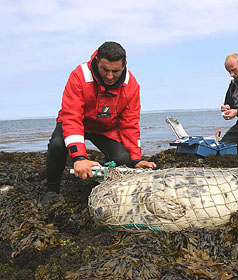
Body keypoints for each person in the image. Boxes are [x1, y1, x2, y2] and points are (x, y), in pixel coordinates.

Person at [41, 41, 156, 205]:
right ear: (97, 62)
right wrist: (79, 157)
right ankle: (51, 191)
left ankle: (95, 169)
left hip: (105, 128)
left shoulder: (131, 86)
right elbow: (72, 117)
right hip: (77, 122)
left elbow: (129, 124)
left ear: (124, 66)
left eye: (115, 71)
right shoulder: (79, 76)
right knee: (57, 145)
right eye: (105, 69)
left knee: (123, 158)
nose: (110, 76)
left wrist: (137, 159)